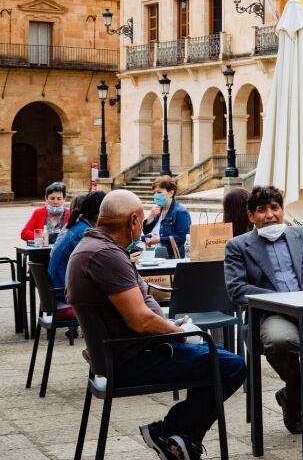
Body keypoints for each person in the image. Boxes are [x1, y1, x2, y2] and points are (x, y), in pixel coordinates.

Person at [66, 190, 245, 460]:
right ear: (134, 221)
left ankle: (182, 441)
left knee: (212, 361)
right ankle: (169, 431)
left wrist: (169, 325)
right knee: (231, 366)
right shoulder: (105, 256)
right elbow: (140, 320)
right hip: (131, 357)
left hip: (126, 352)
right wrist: (181, 333)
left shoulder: (96, 248)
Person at [224, 185, 303, 434]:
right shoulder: (238, 246)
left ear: (282, 210)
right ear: (250, 216)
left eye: (274, 208)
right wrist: (282, 302)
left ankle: (295, 398)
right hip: (271, 313)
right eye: (261, 210)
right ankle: (301, 396)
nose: (269, 215)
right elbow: (237, 290)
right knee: (279, 342)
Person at [49, 190, 106, 318]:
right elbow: (98, 267)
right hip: (65, 300)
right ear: (99, 213)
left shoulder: (78, 225)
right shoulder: (84, 233)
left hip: (59, 294)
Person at [142, 176, 191, 258]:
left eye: (159, 192)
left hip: (171, 258)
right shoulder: (158, 209)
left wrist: (159, 239)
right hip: (154, 257)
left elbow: (182, 237)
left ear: (171, 193)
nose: (156, 195)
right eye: (154, 193)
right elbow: (146, 231)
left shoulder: (180, 212)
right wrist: (151, 216)